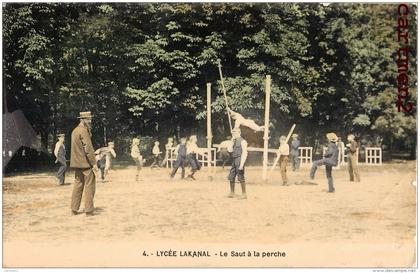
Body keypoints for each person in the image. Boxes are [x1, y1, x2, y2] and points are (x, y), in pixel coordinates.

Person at [70, 111, 97, 216]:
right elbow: (88, 149)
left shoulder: (74, 131)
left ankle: (74, 209)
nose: (90, 121)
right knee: (90, 186)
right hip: (86, 164)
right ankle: (89, 211)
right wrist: (94, 163)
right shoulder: (83, 131)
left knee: (78, 185)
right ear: (83, 120)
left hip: (77, 164)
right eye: (89, 119)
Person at [227, 128, 248, 199]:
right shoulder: (233, 141)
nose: (233, 134)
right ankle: (232, 192)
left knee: (240, 176)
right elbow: (230, 150)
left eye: (234, 132)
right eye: (233, 133)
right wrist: (231, 142)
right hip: (234, 160)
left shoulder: (243, 141)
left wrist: (241, 164)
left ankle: (244, 194)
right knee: (231, 176)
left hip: (240, 160)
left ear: (239, 132)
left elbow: (245, 153)